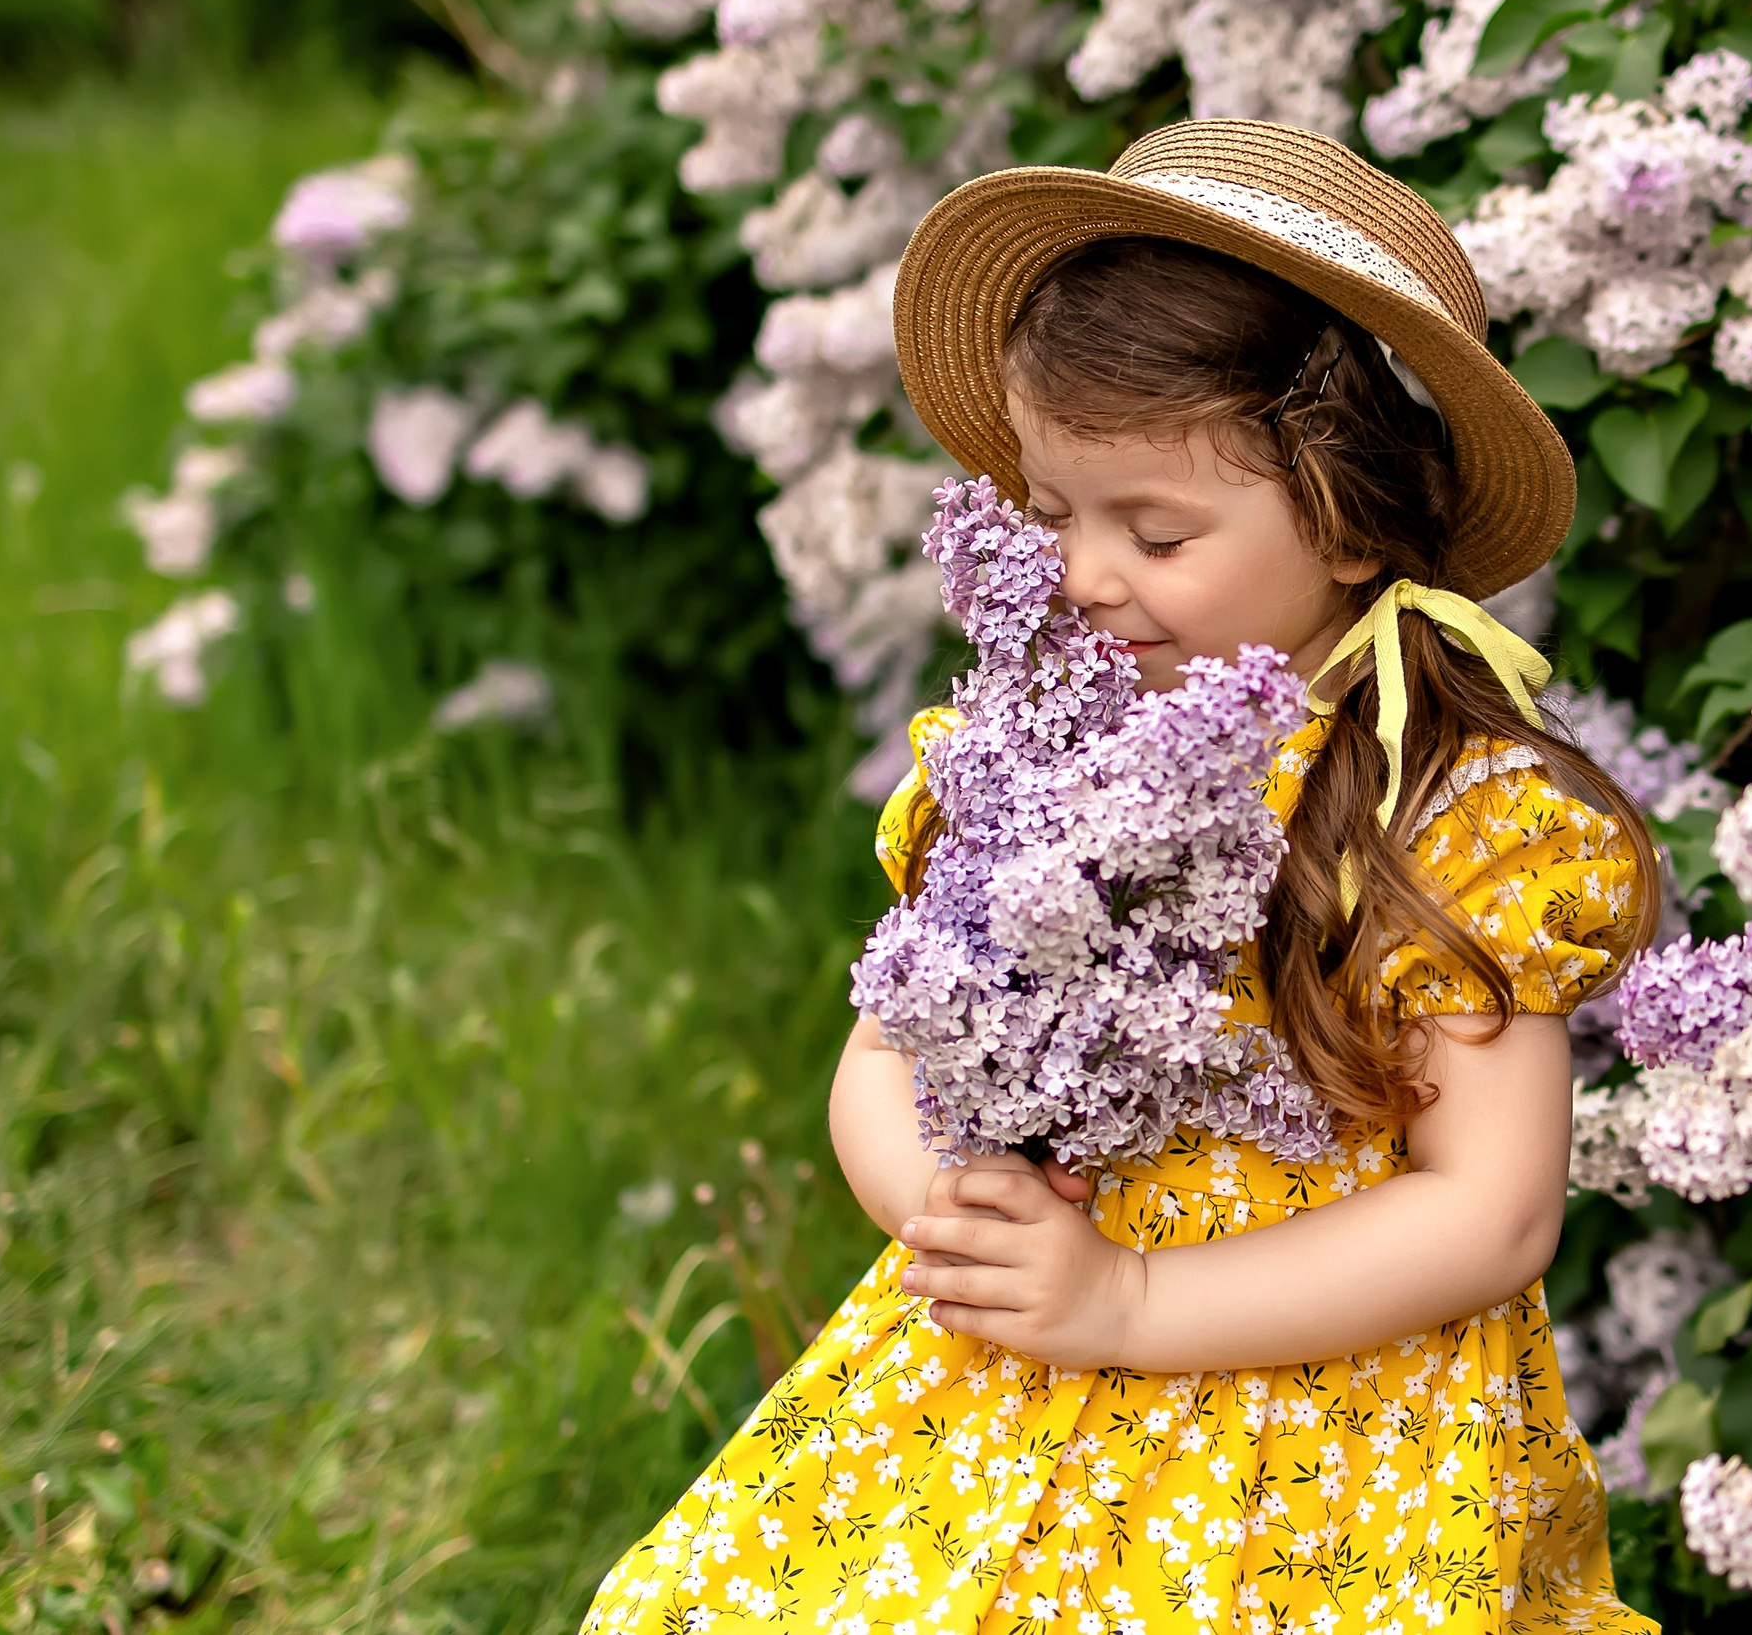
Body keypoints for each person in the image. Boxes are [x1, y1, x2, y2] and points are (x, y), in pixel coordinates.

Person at [580, 120, 1663, 1635]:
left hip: (1322, 1444)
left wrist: (1134, 1307)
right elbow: (882, 1054)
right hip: (1014, 1363)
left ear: (1351, 518)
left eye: (1156, 530)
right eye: (1052, 513)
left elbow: (1491, 1212)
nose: (1087, 575)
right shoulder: (1029, 758)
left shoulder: (1445, 817)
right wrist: (961, 1222)